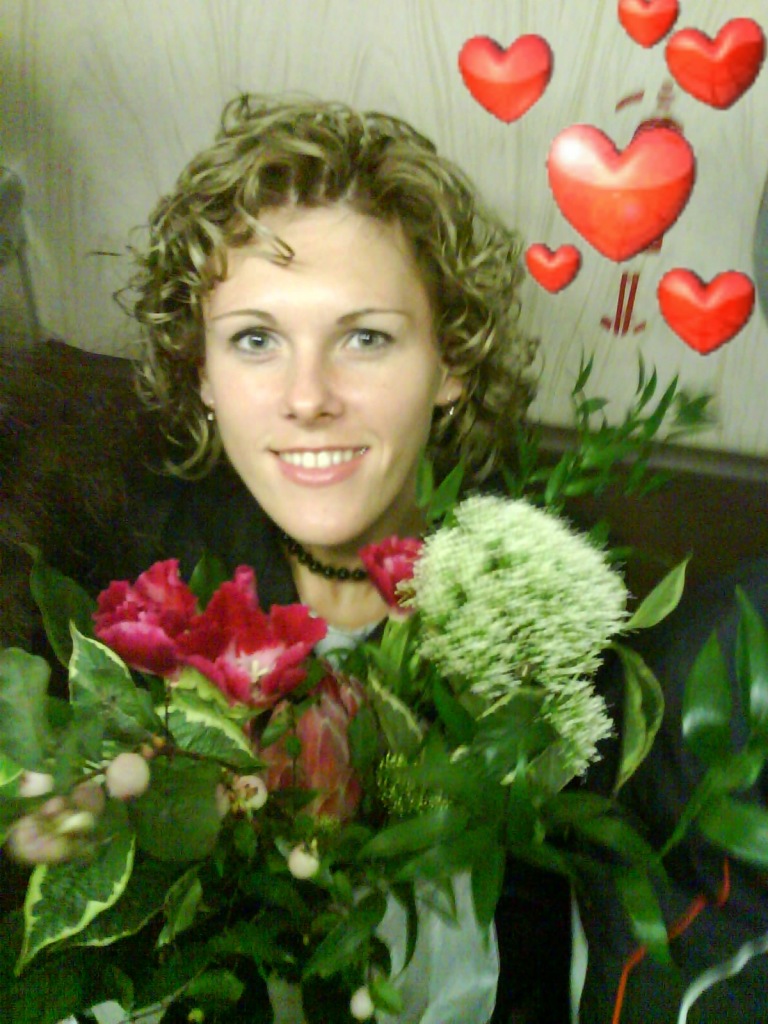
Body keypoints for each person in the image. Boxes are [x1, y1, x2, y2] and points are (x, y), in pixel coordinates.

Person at [125, 94, 561, 1024]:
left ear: (451, 362)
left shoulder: (538, 615)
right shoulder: (139, 605)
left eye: (365, 337)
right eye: (255, 340)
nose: (308, 397)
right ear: (202, 372)